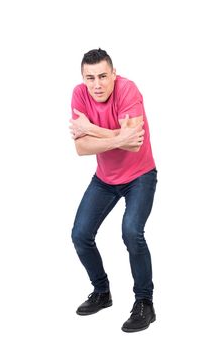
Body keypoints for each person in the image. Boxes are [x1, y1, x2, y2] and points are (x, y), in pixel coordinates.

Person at [70, 48, 157, 333]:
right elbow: (81, 148)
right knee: (80, 235)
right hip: (105, 178)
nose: (97, 84)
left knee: (132, 232)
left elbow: (134, 144)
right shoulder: (79, 94)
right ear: (83, 78)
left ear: (114, 74)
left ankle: (144, 302)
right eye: (90, 77)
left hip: (140, 176)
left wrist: (90, 128)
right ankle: (102, 292)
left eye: (103, 76)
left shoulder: (128, 90)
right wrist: (118, 135)